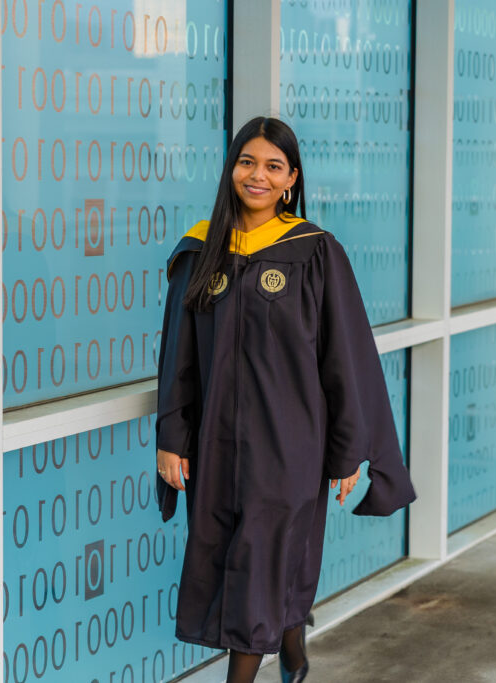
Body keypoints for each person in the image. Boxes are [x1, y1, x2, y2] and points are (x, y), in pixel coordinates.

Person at [154, 116, 416, 683]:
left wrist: (348, 450)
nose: (258, 176)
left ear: (291, 179)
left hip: (290, 444)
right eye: (247, 162)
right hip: (217, 445)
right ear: (231, 171)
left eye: (274, 166)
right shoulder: (201, 252)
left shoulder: (315, 253)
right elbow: (179, 356)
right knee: (245, 558)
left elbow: (345, 359)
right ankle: (292, 641)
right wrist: (172, 438)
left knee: (260, 558)